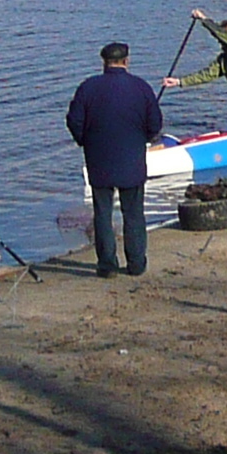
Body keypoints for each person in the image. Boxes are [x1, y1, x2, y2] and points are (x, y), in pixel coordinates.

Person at [65, 39, 166, 277]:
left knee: (102, 213)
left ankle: (107, 265)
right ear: (126, 61)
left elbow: (74, 121)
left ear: (104, 62)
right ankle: (136, 264)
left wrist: (85, 140)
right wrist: (146, 137)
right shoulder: (141, 87)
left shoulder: (88, 87)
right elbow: (155, 124)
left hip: (98, 159)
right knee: (133, 214)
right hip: (132, 160)